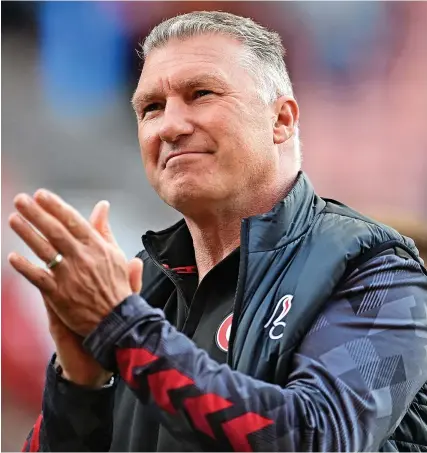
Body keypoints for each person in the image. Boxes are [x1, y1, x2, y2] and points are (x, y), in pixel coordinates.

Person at [8, 11, 427, 452]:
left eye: (201, 94)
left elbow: (317, 438)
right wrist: (79, 388)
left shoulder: (381, 273)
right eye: (151, 108)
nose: (169, 126)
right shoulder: (142, 286)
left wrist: (125, 330)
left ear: (281, 120)